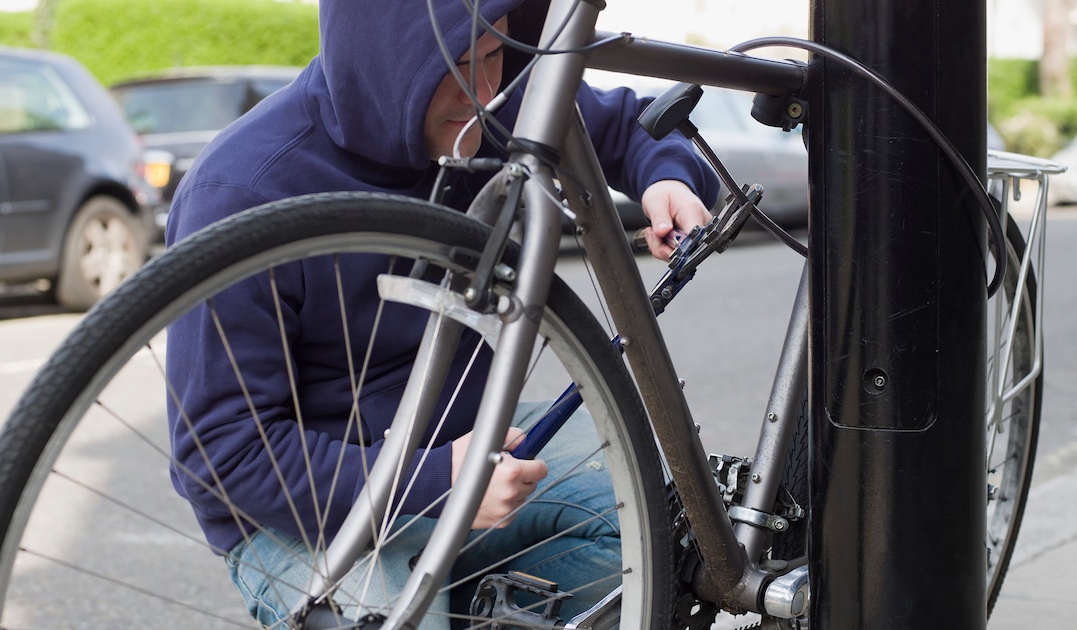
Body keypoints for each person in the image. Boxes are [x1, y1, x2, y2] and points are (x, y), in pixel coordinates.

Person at [164, 1, 720, 627]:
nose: (484, 93)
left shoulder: (495, 102)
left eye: (494, 58)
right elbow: (222, 450)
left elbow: (627, 127)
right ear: (385, 63)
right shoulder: (240, 192)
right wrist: (433, 480)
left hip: (471, 449)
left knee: (679, 531)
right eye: (457, 67)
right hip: (307, 511)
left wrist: (664, 179)